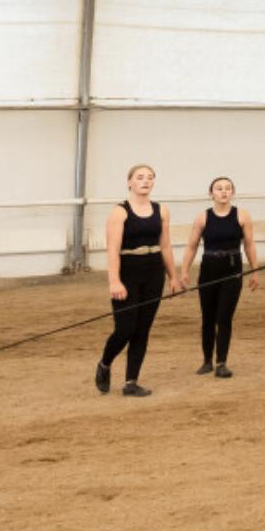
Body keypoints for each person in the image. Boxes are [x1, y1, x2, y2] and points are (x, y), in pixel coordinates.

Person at [94, 163, 179, 398]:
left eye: (150, 177)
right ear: (129, 182)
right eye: (140, 177)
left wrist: (172, 276)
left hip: (153, 272)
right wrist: (114, 281)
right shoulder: (119, 212)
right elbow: (112, 250)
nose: (145, 181)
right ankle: (104, 364)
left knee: (142, 330)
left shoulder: (161, 211)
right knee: (125, 328)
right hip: (128, 271)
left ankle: (131, 381)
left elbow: (165, 245)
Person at [178, 177, 259, 377]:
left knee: (224, 317)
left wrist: (255, 270)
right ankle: (207, 361)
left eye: (228, 188)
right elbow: (192, 246)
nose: (223, 192)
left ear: (232, 192)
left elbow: (249, 244)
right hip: (209, 270)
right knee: (208, 318)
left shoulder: (242, 215)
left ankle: (221, 362)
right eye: (219, 188)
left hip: (232, 270)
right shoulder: (202, 218)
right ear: (211, 193)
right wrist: (184, 271)